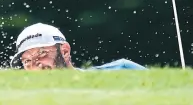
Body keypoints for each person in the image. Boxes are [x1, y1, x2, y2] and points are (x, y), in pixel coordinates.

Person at [10, 23, 147, 70]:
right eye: (27, 61)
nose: (35, 65)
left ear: (64, 51)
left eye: (41, 53)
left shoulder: (123, 70)